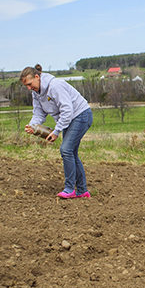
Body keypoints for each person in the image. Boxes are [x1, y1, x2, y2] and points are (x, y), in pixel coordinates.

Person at [20, 64, 93, 198]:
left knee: (66, 150)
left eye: (30, 84)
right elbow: (38, 113)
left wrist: (56, 131)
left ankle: (70, 189)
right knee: (71, 153)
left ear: (37, 77)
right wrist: (33, 126)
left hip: (81, 115)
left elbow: (67, 110)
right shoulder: (36, 93)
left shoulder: (55, 86)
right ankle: (82, 191)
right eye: (27, 86)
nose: (29, 88)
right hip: (69, 119)